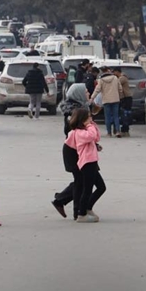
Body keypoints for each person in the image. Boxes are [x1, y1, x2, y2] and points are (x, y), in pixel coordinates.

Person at [52, 83, 90, 219]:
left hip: (79, 149)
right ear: (78, 94)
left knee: (81, 180)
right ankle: (76, 210)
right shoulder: (73, 113)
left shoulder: (82, 108)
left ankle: (62, 201)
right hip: (73, 151)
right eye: (86, 92)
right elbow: (73, 133)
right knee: (81, 180)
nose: (88, 94)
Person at [65, 108, 105, 223]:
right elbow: (92, 136)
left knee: (101, 187)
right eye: (88, 117)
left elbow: (97, 137)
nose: (90, 119)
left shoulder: (87, 129)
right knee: (87, 189)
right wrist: (90, 125)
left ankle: (87, 208)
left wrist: (91, 123)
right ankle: (81, 213)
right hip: (86, 163)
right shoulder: (79, 133)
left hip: (92, 161)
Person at [90, 66, 124, 137]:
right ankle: (117, 131)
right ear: (108, 71)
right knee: (116, 116)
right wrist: (120, 96)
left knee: (107, 117)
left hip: (106, 100)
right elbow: (120, 88)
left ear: (102, 72)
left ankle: (109, 132)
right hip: (115, 99)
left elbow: (97, 90)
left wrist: (92, 98)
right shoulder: (115, 78)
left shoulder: (101, 80)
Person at [113, 67, 133, 137]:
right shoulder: (122, 77)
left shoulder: (122, 78)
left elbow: (115, 83)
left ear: (117, 72)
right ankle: (124, 130)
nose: (113, 74)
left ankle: (125, 130)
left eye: (114, 72)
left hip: (126, 98)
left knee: (125, 114)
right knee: (124, 114)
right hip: (125, 98)